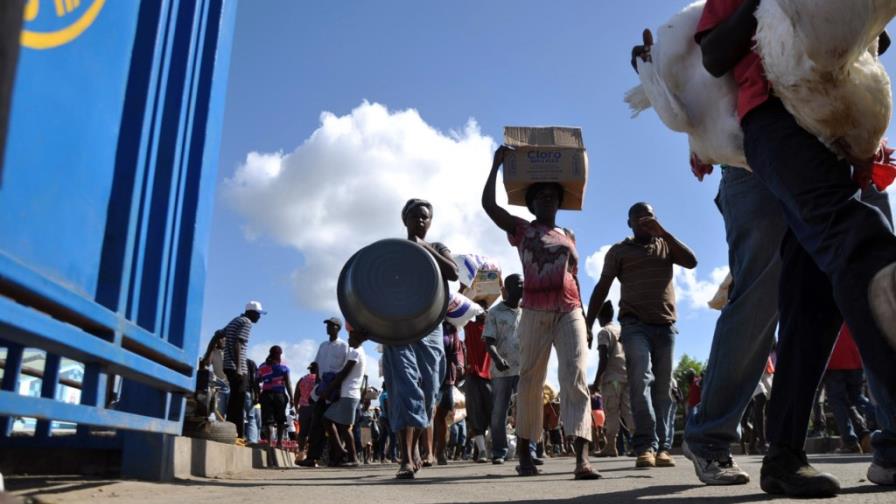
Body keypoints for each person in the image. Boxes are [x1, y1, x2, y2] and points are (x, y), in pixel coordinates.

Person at [696, 2, 896, 495]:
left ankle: (783, 457)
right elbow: (715, 53)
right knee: (856, 241)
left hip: (834, 131)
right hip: (772, 122)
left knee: (813, 303)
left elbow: (866, 37)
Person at [482, 146, 599, 480]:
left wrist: (586, 318)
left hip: (570, 310)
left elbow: (575, 277)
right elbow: (489, 206)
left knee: (575, 376)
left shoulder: (569, 235)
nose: (548, 200)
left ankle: (582, 458)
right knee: (531, 379)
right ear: (532, 204)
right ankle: (524, 454)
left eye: (553, 196)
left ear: (559, 203)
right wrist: (495, 166)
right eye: (541, 196)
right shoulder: (522, 229)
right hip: (534, 310)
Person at [586, 202, 697, 469]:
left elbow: (692, 262)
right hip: (634, 326)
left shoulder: (665, 245)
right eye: (640, 218)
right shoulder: (619, 251)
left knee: (663, 388)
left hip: (666, 326)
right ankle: (645, 445)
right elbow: (602, 287)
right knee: (640, 380)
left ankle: (663, 448)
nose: (645, 222)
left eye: (650, 217)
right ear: (630, 224)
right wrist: (587, 324)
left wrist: (665, 233)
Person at [367, 198, 458, 479]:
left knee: (430, 390)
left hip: (430, 327)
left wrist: (424, 246)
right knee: (405, 387)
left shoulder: (438, 248)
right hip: (398, 327)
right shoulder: (393, 252)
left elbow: (453, 273)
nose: (420, 221)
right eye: (415, 217)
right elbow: (375, 289)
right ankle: (405, 458)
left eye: (425, 217)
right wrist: (367, 327)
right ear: (404, 219)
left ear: (430, 222)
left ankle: (417, 446)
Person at [298, 317, 349, 468]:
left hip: (335, 388)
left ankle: (335, 458)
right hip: (322, 389)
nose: (328, 328)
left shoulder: (344, 346)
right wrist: (318, 385)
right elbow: (317, 365)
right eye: (327, 325)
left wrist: (337, 388)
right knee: (317, 424)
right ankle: (312, 457)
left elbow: (345, 368)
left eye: (331, 325)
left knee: (336, 425)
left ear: (338, 328)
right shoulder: (323, 345)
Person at [485, 274, 524, 464]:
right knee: (499, 412)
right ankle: (499, 451)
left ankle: (529, 451)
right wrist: (498, 359)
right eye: (519, 284)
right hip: (502, 369)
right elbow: (489, 342)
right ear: (508, 288)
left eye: (524, 283)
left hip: (524, 368)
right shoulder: (494, 312)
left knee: (526, 409)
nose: (523, 286)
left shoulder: (528, 310)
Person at [592, 300, 634, 458]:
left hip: (612, 379)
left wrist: (596, 381)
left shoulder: (604, 332)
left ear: (600, 317)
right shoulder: (621, 330)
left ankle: (611, 446)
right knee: (628, 411)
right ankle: (639, 444)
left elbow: (604, 358)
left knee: (612, 412)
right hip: (626, 376)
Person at [222, 301, 265, 444]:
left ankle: (229, 434)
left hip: (227, 365)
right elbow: (239, 343)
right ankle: (238, 436)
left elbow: (218, 334)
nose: (259, 317)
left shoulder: (235, 320)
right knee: (238, 403)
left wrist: (208, 353)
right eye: (258, 314)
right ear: (252, 313)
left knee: (233, 402)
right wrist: (240, 367)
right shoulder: (247, 322)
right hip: (237, 367)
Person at [321, 331, 366, 467]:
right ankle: (341, 451)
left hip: (349, 394)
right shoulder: (359, 352)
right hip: (348, 394)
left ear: (358, 338)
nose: (348, 339)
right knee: (328, 420)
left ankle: (352, 458)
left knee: (345, 427)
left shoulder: (355, 352)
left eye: (351, 337)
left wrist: (328, 390)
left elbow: (343, 374)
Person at [825, 326, 872, 453]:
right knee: (857, 398)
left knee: (837, 401)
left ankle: (850, 441)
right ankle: (872, 429)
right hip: (856, 358)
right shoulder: (853, 307)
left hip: (834, 361)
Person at [464, 302, 493, 463]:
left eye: (486, 309)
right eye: (480, 309)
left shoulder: (494, 329)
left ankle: (487, 447)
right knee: (475, 415)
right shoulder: (470, 326)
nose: (483, 312)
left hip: (491, 378)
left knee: (493, 415)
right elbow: (459, 307)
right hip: (473, 376)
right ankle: (482, 450)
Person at [434, 321, 465, 465]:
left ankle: (440, 452)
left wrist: (460, 365)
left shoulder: (451, 329)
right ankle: (426, 451)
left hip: (447, 377)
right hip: (429, 373)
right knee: (428, 413)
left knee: (441, 415)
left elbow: (456, 352)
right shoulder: (428, 323)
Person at [257, 345, 293, 459]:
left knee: (268, 421)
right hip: (279, 395)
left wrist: (257, 394)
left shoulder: (262, 367)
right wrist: (291, 398)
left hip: (266, 395)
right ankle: (278, 443)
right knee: (281, 419)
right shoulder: (283, 367)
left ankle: (268, 443)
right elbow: (288, 383)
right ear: (279, 354)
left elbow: (256, 381)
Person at [199, 329, 229, 421]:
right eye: (219, 339)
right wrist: (211, 348)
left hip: (233, 385)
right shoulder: (213, 352)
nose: (222, 340)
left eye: (224, 338)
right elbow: (205, 364)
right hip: (221, 387)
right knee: (220, 414)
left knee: (233, 415)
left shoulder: (230, 350)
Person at [294, 362, 318, 460]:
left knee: (302, 433)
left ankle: (300, 453)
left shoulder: (302, 379)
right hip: (315, 408)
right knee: (315, 432)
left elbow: (296, 395)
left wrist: (296, 408)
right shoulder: (319, 380)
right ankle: (312, 455)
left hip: (303, 408)